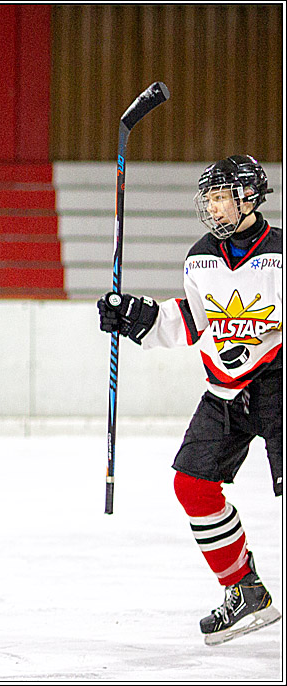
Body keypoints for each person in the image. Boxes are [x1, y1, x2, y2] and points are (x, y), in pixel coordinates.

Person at [97, 154, 281, 646]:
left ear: (250, 198)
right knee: (193, 486)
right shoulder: (200, 256)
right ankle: (246, 591)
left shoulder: (281, 256)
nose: (215, 207)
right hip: (224, 393)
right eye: (211, 198)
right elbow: (195, 321)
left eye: (223, 197)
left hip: (279, 385)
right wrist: (136, 317)